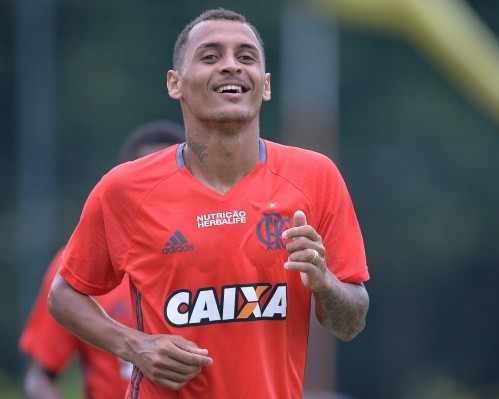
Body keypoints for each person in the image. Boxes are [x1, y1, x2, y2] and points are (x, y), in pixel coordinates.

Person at [48, 8, 370, 399]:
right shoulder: (125, 189)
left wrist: (324, 284)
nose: (231, 66)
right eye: (211, 56)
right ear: (175, 83)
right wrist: (136, 346)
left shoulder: (315, 177)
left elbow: (351, 322)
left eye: (246, 57)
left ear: (265, 85)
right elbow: (63, 295)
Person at [19, 120, 185, 399]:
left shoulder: (223, 256)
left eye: (168, 179)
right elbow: (40, 376)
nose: (158, 192)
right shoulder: (77, 270)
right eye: (148, 179)